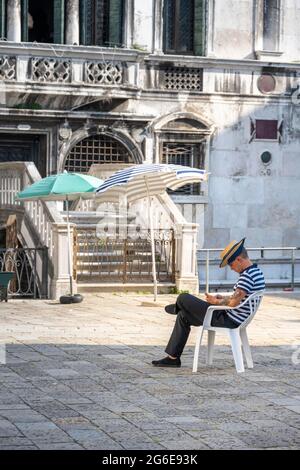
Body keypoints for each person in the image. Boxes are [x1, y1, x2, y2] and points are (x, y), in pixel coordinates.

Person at [152, 238, 265, 367]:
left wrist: (216, 302)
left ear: (239, 259)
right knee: (183, 315)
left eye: (231, 264)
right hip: (234, 317)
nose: (231, 269)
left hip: (227, 318)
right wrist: (221, 298)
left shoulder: (246, 276)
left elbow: (233, 303)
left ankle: (176, 307)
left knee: (183, 297)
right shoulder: (256, 272)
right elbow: (238, 298)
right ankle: (173, 358)